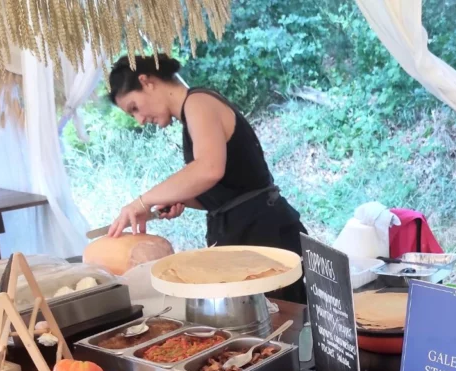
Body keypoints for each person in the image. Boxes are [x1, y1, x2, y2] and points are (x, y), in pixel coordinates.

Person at [107, 54, 306, 301]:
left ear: (147, 81)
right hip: (242, 232)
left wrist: (142, 201)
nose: (139, 120)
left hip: (264, 234)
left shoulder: (198, 103)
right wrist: (182, 199)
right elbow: (229, 189)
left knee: (280, 324)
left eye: (134, 107)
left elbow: (209, 169)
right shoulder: (189, 116)